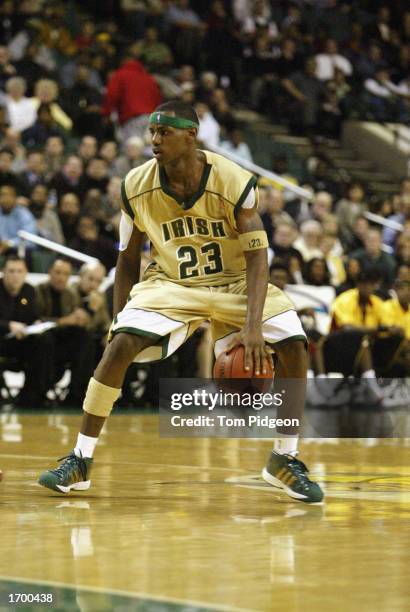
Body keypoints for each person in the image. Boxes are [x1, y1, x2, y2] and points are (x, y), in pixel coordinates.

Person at [38, 101, 323, 503]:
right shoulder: (135, 185)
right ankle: (80, 459)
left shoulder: (233, 179)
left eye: (164, 133)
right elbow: (126, 258)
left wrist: (254, 327)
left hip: (235, 281)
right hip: (171, 283)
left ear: (191, 135)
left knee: (295, 344)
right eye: (152, 132)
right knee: (119, 346)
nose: (154, 140)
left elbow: (259, 257)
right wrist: (119, 320)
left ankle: (284, 458)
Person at [0, 255, 52, 407]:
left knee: (45, 341)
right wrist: (9, 325)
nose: (15, 275)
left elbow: (32, 315)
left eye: (19, 271)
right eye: (11, 271)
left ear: (25, 273)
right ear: (4, 272)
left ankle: (33, 395)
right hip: (2, 341)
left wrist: (36, 323)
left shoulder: (29, 290)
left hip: (20, 341)